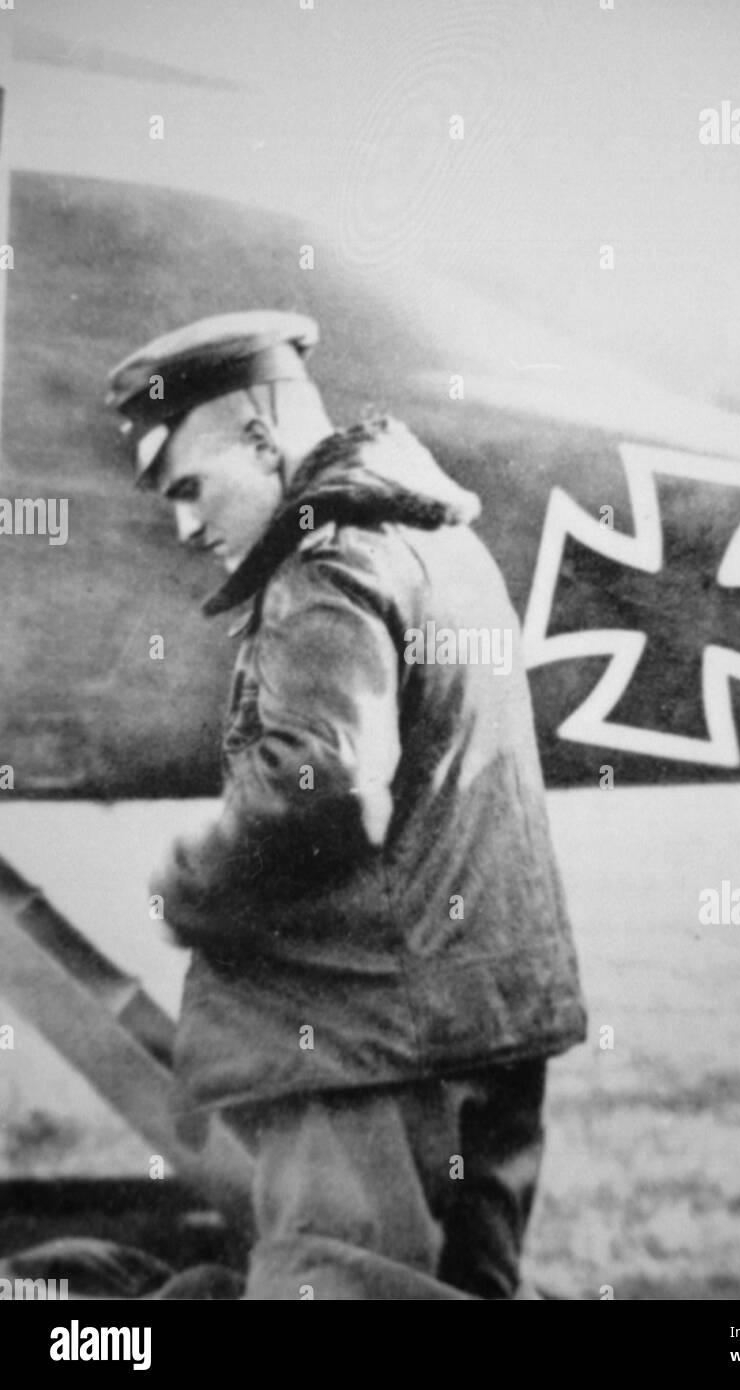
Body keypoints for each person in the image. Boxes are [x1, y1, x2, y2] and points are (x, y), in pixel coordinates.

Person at [106, 309, 587, 1300]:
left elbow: (315, 790)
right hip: (486, 1034)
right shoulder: (439, 543)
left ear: (261, 433)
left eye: (190, 486)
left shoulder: (322, 564)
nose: (183, 525)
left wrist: (185, 888)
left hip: (370, 1050)